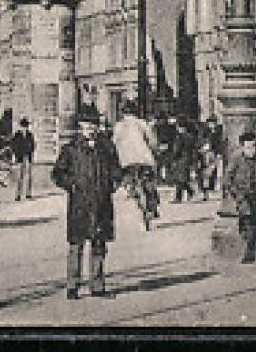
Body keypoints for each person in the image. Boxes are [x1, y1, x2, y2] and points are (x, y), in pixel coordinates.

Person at [52, 113, 120, 299]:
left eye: (93, 125)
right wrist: (71, 184)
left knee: (99, 244)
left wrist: (113, 182)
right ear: (80, 127)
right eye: (86, 125)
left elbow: (116, 169)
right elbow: (58, 173)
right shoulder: (71, 149)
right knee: (76, 244)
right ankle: (72, 285)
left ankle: (97, 286)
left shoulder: (106, 148)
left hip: (101, 201)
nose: (90, 129)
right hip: (79, 203)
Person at [224, 131, 256, 264]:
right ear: (242, 147)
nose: (251, 150)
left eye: (253, 146)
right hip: (242, 195)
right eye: (248, 147)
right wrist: (235, 191)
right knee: (248, 218)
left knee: (254, 220)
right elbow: (227, 177)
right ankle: (249, 250)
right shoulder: (236, 158)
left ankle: (249, 248)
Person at [112, 101, 161, 228]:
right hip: (144, 159)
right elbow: (152, 141)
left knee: (132, 185)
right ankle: (151, 207)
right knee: (149, 184)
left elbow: (114, 144)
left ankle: (140, 205)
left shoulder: (118, 126)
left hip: (127, 161)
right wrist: (156, 152)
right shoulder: (142, 123)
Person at [170, 119, 199, 203]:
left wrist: (174, 157)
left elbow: (177, 149)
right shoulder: (190, 136)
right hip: (188, 158)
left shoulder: (179, 137)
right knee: (183, 179)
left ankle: (179, 197)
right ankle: (189, 192)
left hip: (180, 159)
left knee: (180, 179)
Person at [12, 118, 36, 201]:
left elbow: (33, 145)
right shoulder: (17, 135)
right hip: (20, 157)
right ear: (21, 126)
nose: (25, 128)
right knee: (19, 176)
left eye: (26, 126)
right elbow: (14, 146)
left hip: (28, 157)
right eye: (23, 126)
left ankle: (28, 193)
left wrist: (30, 153)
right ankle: (18, 194)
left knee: (29, 176)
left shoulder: (30, 135)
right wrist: (17, 155)